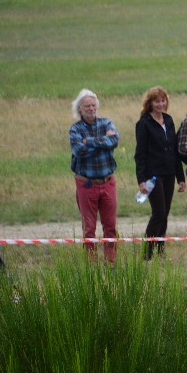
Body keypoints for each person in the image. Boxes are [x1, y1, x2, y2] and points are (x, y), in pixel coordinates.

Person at [134, 86, 186, 260]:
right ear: (150, 103)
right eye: (157, 101)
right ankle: (147, 253)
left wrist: (181, 177)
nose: (160, 104)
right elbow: (139, 154)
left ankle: (160, 249)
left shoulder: (169, 120)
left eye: (163, 100)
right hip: (152, 175)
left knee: (166, 212)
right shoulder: (144, 123)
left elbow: (174, 150)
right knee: (159, 212)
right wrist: (141, 180)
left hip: (170, 172)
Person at [68, 88, 119, 263]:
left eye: (93, 104)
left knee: (110, 226)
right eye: (86, 106)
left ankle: (111, 262)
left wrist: (88, 142)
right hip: (86, 184)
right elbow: (79, 151)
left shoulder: (106, 123)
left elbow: (114, 141)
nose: (91, 108)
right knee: (89, 228)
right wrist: (102, 143)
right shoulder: (75, 129)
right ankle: (92, 264)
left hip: (108, 182)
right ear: (79, 109)